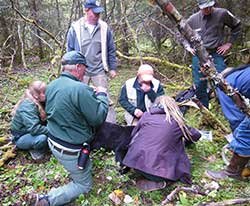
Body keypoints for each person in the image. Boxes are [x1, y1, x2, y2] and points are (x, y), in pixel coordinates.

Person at [31, 51, 109, 206]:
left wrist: (87, 95)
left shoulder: (52, 85)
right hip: (71, 150)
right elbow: (98, 118)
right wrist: (101, 95)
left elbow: (64, 106)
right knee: (84, 185)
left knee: (82, 168)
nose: (85, 72)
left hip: (54, 141)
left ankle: (76, 170)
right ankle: (47, 200)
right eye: (84, 68)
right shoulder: (80, 89)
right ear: (78, 67)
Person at [122, 96, 201, 191]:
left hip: (135, 164)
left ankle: (148, 177)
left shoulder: (147, 115)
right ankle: (161, 182)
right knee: (176, 147)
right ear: (173, 107)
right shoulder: (176, 121)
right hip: (159, 172)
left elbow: (134, 133)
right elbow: (196, 135)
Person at [67, 0, 117, 123]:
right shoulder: (75, 28)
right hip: (80, 72)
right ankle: (82, 124)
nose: (97, 16)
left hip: (99, 70)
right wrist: (70, 70)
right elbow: (70, 51)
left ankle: (109, 124)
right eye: (94, 13)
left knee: (105, 99)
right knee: (80, 99)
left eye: (99, 13)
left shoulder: (104, 28)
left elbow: (111, 49)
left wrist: (112, 68)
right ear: (87, 10)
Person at [185, 0, 241, 108]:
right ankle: (205, 112)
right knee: (200, 84)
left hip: (215, 53)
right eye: (204, 8)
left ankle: (228, 107)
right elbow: (180, 33)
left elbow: (237, 25)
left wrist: (229, 43)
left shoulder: (222, 13)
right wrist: (187, 46)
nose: (207, 10)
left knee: (223, 80)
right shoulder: (193, 19)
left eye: (210, 6)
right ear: (199, 7)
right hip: (198, 56)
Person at [206, 65, 250, 180]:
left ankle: (232, 173)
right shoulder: (242, 75)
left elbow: (236, 119)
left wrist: (238, 141)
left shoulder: (225, 85)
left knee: (245, 131)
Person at [10, 81, 48, 161]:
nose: (47, 94)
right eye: (44, 92)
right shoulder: (28, 107)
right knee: (42, 138)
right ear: (36, 95)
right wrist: (53, 130)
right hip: (21, 136)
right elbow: (35, 129)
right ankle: (36, 151)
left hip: (29, 131)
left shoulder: (39, 102)